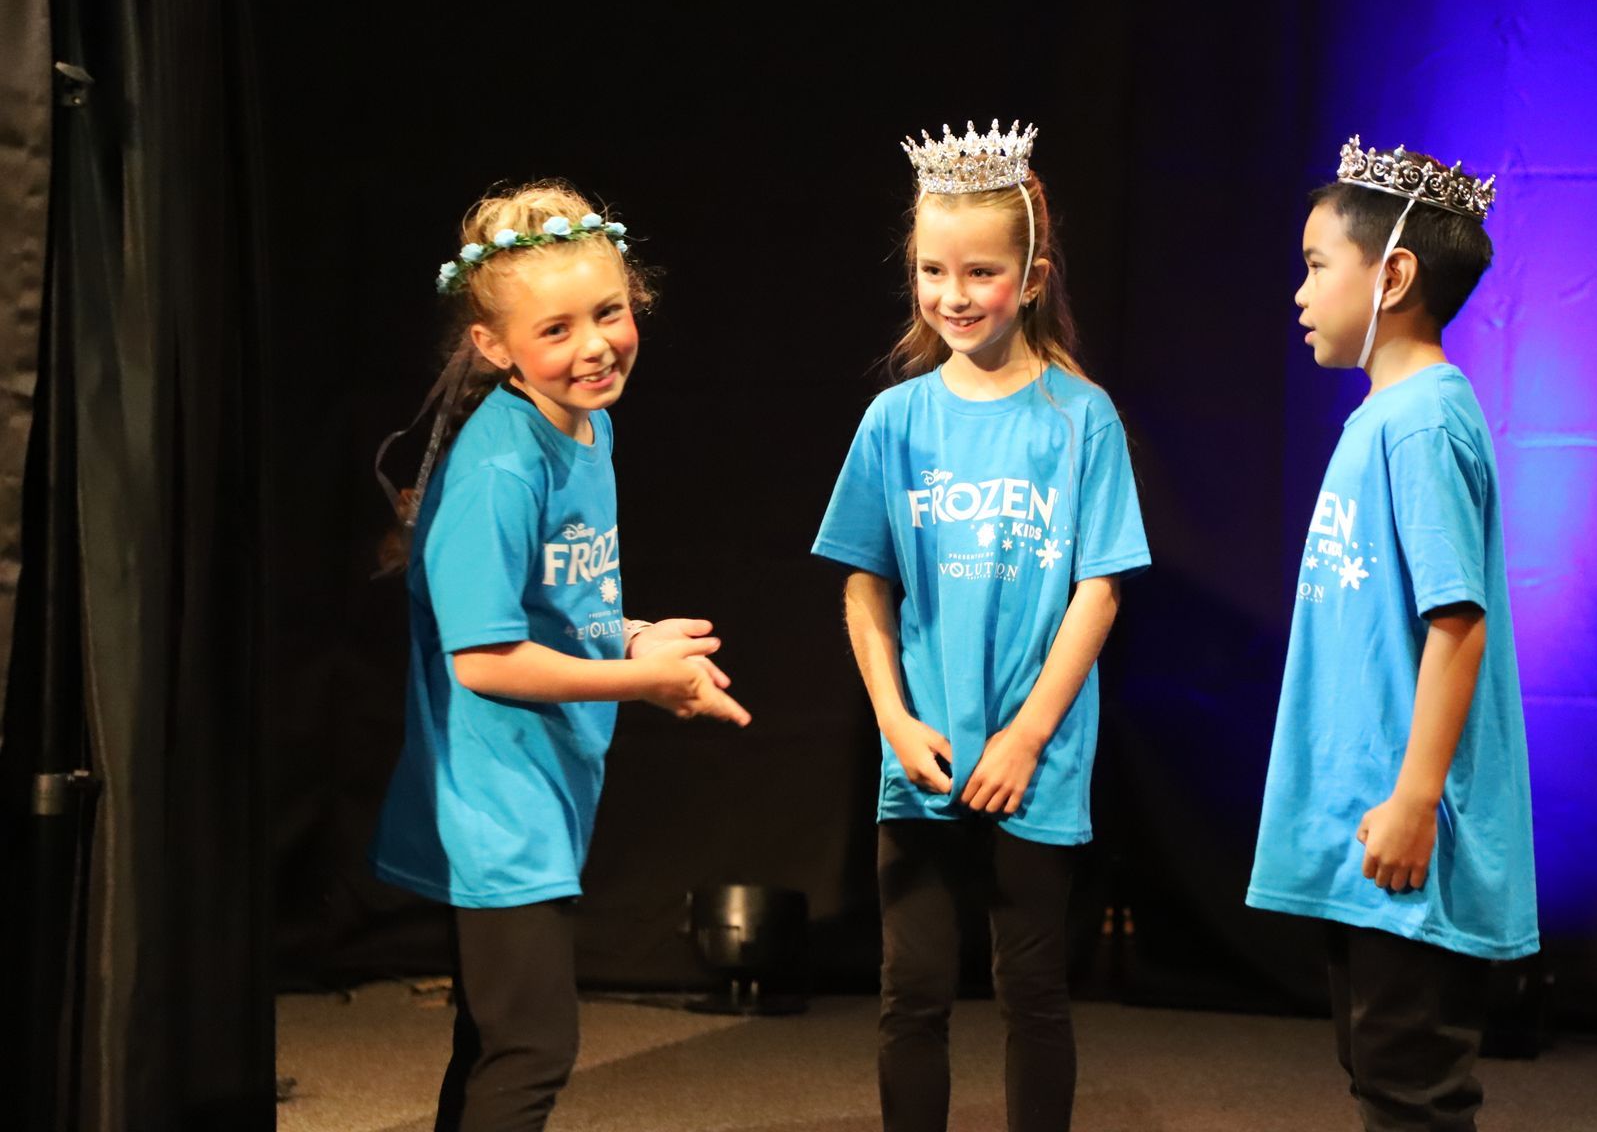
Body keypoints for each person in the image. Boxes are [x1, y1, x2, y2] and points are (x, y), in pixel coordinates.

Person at [370, 180, 750, 1132]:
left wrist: (628, 634)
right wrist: (644, 682)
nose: (594, 346)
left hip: (545, 785)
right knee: (533, 1048)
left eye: (609, 313)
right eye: (557, 330)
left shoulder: (588, 427)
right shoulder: (501, 467)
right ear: (493, 346)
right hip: (495, 803)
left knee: (496, 1039)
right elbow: (486, 659)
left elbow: (552, 606)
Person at [813, 121, 1150, 1131]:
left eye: (981, 271)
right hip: (920, 749)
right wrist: (894, 720)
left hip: (1030, 753)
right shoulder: (897, 418)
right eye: (932, 269)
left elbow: (1100, 588)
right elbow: (864, 585)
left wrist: (1026, 733)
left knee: (1032, 991)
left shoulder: (1080, 418)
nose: (954, 294)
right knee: (910, 993)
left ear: (1033, 274)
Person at [1246, 137, 1537, 1131]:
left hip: (1411, 834)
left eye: (1318, 264)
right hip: (1365, 834)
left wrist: (1416, 796)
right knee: (1380, 1073)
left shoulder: (1422, 425)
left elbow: (1457, 623)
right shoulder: (1383, 419)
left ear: (1396, 272)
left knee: (1412, 1087)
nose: (1300, 291)